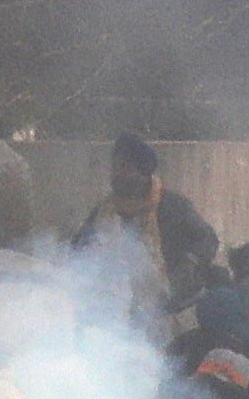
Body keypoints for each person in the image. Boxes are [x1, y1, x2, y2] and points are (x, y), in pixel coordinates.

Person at [77, 133, 226, 314]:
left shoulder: (172, 205)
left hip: (174, 305)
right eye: (114, 167)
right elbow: (78, 250)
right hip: (120, 309)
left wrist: (189, 262)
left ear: (143, 173)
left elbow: (207, 239)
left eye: (124, 168)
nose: (116, 174)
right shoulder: (104, 211)